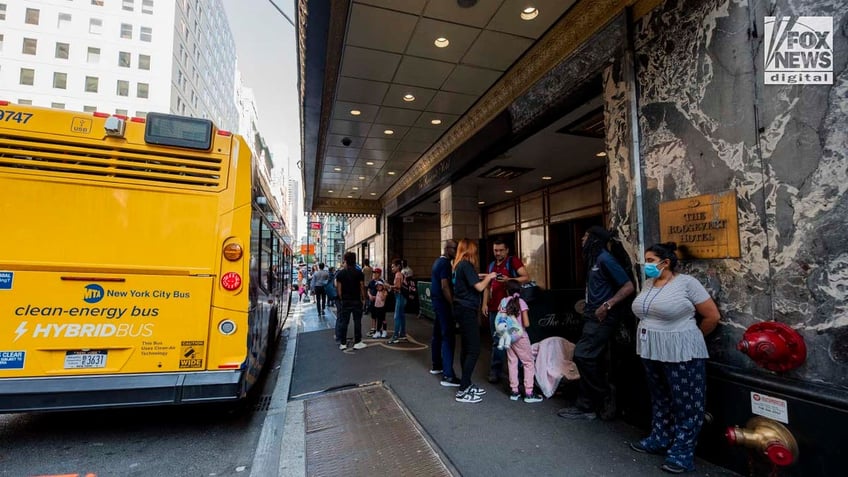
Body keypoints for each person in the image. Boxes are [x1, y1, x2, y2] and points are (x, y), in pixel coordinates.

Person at [628, 242, 720, 474]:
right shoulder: (649, 283)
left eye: (649, 260)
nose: (645, 264)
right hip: (651, 349)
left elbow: (711, 316)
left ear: (665, 262)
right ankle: (659, 438)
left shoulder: (687, 283)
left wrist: (691, 337)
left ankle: (682, 452)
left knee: (687, 402)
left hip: (681, 349)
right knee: (660, 397)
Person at [559, 226, 634, 420]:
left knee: (583, 355)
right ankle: (587, 404)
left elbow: (628, 286)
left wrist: (607, 305)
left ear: (594, 239)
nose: (582, 239)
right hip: (591, 315)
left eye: (585, 235)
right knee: (590, 357)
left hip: (603, 318)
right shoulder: (593, 260)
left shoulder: (605, 259)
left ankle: (601, 395)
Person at [452, 238, 498, 403]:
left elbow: (471, 279)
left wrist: (482, 276)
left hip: (460, 309)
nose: (476, 254)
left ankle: (467, 384)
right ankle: (463, 389)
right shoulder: (466, 264)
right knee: (474, 349)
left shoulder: (458, 265)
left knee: (466, 348)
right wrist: (491, 276)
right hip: (467, 310)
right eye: (475, 251)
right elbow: (479, 287)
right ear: (469, 251)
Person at [481, 239, 530, 384]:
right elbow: (487, 287)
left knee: (516, 340)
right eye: (496, 250)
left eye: (501, 250)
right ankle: (496, 371)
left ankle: (520, 373)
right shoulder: (491, 265)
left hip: (511, 309)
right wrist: (484, 303)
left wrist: (509, 280)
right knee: (497, 340)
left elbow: (526, 277)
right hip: (494, 308)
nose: (498, 253)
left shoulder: (512, 261)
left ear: (507, 250)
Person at [499, 281, 543, 403]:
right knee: (528, 362)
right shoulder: (521, 302)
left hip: (508, 336)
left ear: (507, 290)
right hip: (520, 337)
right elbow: (527, 323)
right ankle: (529, 392)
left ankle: (514, 391)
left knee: (512, 362)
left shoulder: (503, 301)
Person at [430, 239, 460, 387]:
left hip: (436, 303)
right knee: (448, 337)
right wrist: (452, 302)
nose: (456, 252)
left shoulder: (437, 262)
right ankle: (448, 375)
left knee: (437, 335)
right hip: (443, 304)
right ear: (447, 249)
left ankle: (437, 365)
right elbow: (445, 286)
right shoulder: (445, 264)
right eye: (455, 249)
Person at [334, 252, 367, 351]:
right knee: (357, 321)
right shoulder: (359, 273)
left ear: (345, 260)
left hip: (345, 301)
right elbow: (362, 287)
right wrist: (364, 298)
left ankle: (343, 343)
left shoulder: (341, 273)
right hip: (356, 300)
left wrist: (342, 298)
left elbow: (339, 290)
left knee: (344, 322)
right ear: (354, 259)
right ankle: (357, 342)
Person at [387, 259, 408, 344]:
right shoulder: (400, 274)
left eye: (393, 266)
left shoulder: (398, 275)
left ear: (398, 266)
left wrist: (389, 286)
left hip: (400, 296)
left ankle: (395, 336)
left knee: (397, 316)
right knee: (402, 316)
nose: (392, 268)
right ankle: (402, 333)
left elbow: (398, 286)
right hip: (402, 297)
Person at [366, 267, 384, 337]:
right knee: (373, 315)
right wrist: (370, 295)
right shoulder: (371, 282)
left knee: (379, 316)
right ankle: (373, 329)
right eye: (374, 273)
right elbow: (368, 290)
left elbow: (383, 292)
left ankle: (379, 329)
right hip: (372, 301)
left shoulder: (381, 282)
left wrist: (376, 297)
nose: (374, 274)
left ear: (379, 274)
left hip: (379, 302)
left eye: (376, 273)